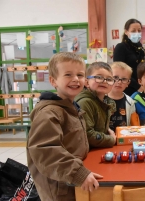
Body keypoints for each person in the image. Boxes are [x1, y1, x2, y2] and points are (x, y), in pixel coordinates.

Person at [27, 52, 103, 201]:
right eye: (68, 75)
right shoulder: (50, 113)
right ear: (53, 80)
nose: (75, 79)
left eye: (80, 75)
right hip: (59, 188)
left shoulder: (72, 108)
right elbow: (45, 150)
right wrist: (78, 173)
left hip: (72, 182)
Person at [75, 62, 116, 148]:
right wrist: (111, 139)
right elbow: (88, 134)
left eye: (109, 79)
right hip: (87, 152)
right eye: (98, 77)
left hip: (98, 148)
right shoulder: (85, 102)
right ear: (86, 82)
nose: (104, 81)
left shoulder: (105, 102)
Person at [113, 19, 145, 96]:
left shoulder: (140, 47)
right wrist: (137, 86)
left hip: (140, 86)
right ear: (126, 32)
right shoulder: (121, 47)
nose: (137, 33)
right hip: (126, 87)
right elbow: (120, 71)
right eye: (133, 31)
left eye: (139, 30)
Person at [108, 62, 140, 131]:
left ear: (128, 83)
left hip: (123, 138)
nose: (119, 82)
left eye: (124, 79)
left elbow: (132, 125)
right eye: (115, 77)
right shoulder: (101, 99)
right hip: (105, 139)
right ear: (109, 78)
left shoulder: (130, 102)